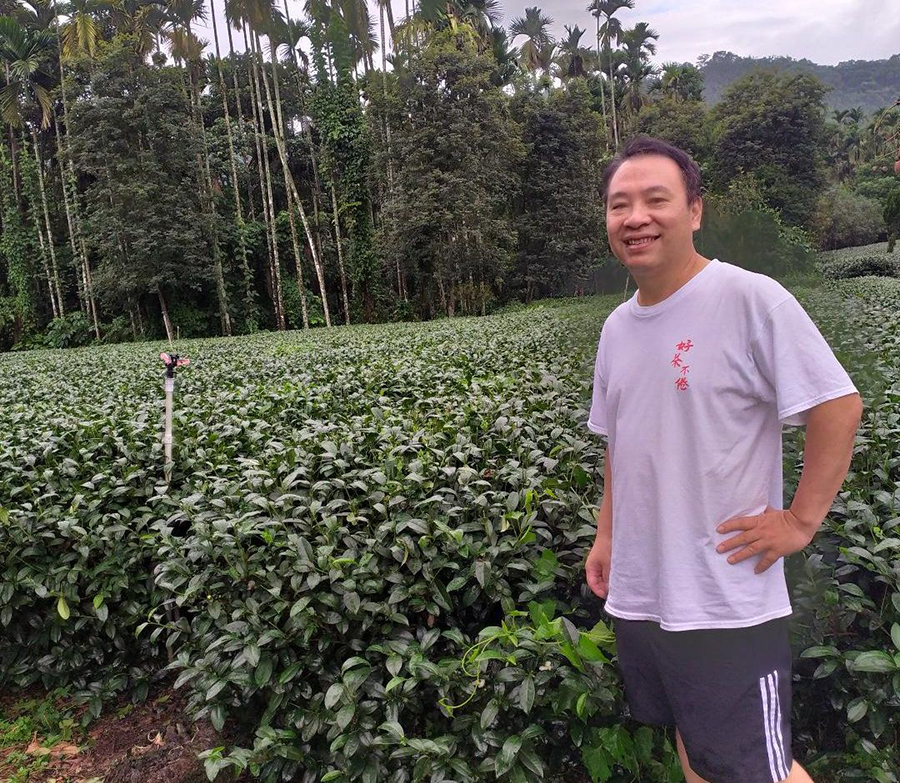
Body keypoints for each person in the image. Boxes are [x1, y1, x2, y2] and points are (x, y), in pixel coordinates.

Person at [584, 136, 863, 783]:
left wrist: (799, 520)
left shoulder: (748, 299)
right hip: (646, 593)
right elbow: (621, 444)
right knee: (698, 750)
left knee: (759, 770)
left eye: (656, 200)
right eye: (620, 204)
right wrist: (607, 535)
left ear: (694, 211)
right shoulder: (617, 328)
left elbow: (838, 406)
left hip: (724, 598)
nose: (636, 217)